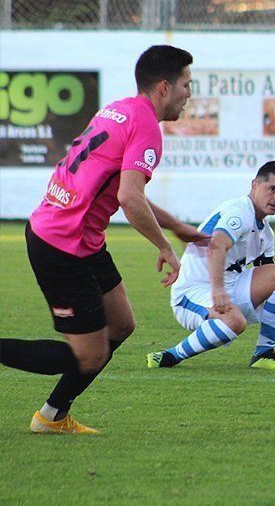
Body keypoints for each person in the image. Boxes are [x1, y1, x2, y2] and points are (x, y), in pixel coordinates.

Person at [0, 45, 202, 434]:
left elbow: (124, 191)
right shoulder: (146, 127)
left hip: (80, 237)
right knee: (89, 356)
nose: (189, 94)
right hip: (62, 243)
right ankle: (48, 415)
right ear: (164, 87)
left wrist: (177, 227)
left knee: (121, 325)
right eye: (186, 85)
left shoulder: (121, 108)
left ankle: (51, 417)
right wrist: (164, 246)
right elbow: (128, 198)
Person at [147, 161, 275, 370]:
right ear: (254, 184)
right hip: (192, 293)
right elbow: (216, 246)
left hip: (230, 288)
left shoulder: (266, 232)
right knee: (235, 322)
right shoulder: (239, 213)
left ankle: (264, 354)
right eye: (272, 189)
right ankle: (170, 356)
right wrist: (219, 291)